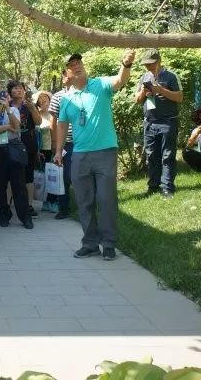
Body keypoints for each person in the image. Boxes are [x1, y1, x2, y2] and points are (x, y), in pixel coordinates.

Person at [54, 50, 134, 260]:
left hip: (105, 152)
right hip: (79, 154)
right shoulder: (66, 99)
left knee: (106, 199)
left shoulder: (100, 84)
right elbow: (62, 126)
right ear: (66, 75)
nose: (77, 65)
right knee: (84, 200)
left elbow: (120, 80)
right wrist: (58, 151)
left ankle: (108, 244)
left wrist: (125, 65)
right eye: (71, 64)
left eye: (79, 61)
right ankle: (90, 243)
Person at [134, 49, 183, 199]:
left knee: (167, 155)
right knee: (151, 155)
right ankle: (153, 186)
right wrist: (144, 92)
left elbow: (179, 97)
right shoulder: (144, 78)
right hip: (149, 122)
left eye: (151, 64)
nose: (148, 67)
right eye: (146, 65)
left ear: (158, 61)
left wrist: (160, 89)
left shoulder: (171, 76)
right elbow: (137, 100)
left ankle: (167, 187)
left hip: (168, 121)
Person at [0, 85, 33, 229]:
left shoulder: (13, 110)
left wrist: (8, 110)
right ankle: (4, 216)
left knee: (19, 186)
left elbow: (17, 126)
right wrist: (7, 127)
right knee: (0, 187)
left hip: (14, 148)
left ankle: (25, 217)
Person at [8, 81, 41, 219]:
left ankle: (29, 205)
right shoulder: (6, 106)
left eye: (21, 88)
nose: (19, 90)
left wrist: (33, 109)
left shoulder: (29, 105)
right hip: (11, 145)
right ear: (10, 91)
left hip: (29, 144)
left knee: (28, 176)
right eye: (15, 88)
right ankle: (7, 206)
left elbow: (38, 122)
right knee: (10, 176)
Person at [48, 73, 73, 219]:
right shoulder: (58, 96)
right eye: (64, 73)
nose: (66, 76)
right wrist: (55, 144)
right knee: (65, 176)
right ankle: (64, 208)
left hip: (85, 141)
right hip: (66, 143)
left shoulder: (86, 93)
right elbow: (53, 122)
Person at [33, 90, 56, 212]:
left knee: (53, 175)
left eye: (44, 98)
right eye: (40, 99)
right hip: (41, 150)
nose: (42, 101)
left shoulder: (55, 114)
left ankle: (53, 201)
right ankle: (45, 201)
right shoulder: (37, 114)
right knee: (43, 176)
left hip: (52, 148)